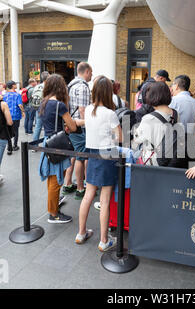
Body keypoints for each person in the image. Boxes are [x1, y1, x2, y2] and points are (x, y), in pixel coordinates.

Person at [76, 75, 122, 252]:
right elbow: (120, 138)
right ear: (109, 93)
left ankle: (81, 233)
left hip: (92, 154)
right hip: (108, 154)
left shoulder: (88, 110)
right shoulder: (110, 114)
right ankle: (103, 240)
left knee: (88, 195)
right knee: (104, 200)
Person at [38, 74, 77, 224]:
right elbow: (72, 126)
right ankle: (53, 214)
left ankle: (53, 207)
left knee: (52, 179)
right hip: (58, 145)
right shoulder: (59, 105)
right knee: (55, 180)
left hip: (48, 141)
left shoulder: (44, 103)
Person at [133, 81, 186, 167]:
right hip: (171, 159)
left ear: (151, 96)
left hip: (155, 161)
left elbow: (137, 139)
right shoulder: (175, 113)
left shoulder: (148, 118)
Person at [63, 62, 93, 200]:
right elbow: (83, 110)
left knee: (74, 155)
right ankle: (80, 188)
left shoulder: (70, 85)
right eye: (91, 73)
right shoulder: (82, 87)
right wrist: (87, 128)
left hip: (70, 124)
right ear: (86, 71)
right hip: (79, 126)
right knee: (81, 157)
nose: (91, 76)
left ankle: (68, 184)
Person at [3, 80, 25, 154]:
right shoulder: (17, 95)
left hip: (7, 115)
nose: (16, 85)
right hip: (15, 115)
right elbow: (20, 105)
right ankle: (15, 145)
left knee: (8, 131)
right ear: (13, 86)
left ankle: (9, 147)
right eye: (15, 84)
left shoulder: (5, 95)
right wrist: (23, 112)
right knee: (15, 131)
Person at [32, 71, 50, 145]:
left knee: (37, 127)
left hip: (38, 109)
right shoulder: (48, 87)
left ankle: (35, 145)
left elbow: (33, 96)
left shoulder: (37, 86)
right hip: (46, 108)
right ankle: (45, 145)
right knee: (47, 127)